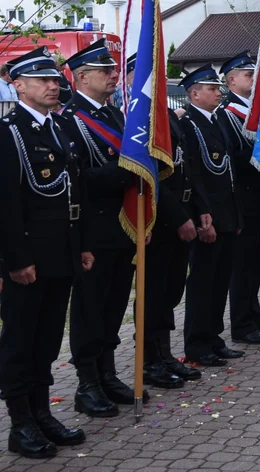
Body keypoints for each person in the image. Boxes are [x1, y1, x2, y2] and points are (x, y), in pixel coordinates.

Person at [0, 47, 92, 458]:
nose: (53, 86)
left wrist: (82, 246)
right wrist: (16, 260)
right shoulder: (8, 132)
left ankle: (42, 413)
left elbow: (72, 193)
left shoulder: (57, 128)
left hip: (61, 254)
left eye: (55, 80)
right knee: (20, 341)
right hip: (29, 259)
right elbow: (6, 204)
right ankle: (20, 424)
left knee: (48, 339)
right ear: (17, 85)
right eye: (42, 80)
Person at [59, 39, 140, 418]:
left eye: (112, 70)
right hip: (93, 230)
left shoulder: (115, 116)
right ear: (81, 77)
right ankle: (87, 382)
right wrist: (125, 172)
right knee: (90, 310)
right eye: (104, 72)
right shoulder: (70, 121)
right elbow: (79, 178)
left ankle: (107, 373)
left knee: (113, 306)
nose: (113, 76)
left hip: (122, 228)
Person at [144, 51, 206, 389]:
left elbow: (186, 169)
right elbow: (153, 178)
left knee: (170, 291)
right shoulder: (139, 119)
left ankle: (164, 354)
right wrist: (181, 217)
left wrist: (199, 209)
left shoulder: (169, 116)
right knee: (153, 293)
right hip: (159, 219)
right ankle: (149, 360)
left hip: (183, 215)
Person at [178, 64, 245, 367]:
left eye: (219, 88)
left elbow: (228, 171)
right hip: (208, 217)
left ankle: (214, 338)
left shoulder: (216, 120)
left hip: (227, 212)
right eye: (212, 89)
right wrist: (203, 214)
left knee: (220, 282)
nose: (218, 93)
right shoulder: (188, 125)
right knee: (203, 283)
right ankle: (197, 343)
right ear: (194, 93)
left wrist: (235, 217)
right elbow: (194, 176)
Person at [217, 52, 260, 347]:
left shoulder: (258, 111)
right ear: (231, 81)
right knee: (243, 267)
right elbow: (234, 158)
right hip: (245, 200)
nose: (254, 79)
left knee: (257, 263)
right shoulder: (227, 114)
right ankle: (241, 324)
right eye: (248, 75)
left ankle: (255, 318)